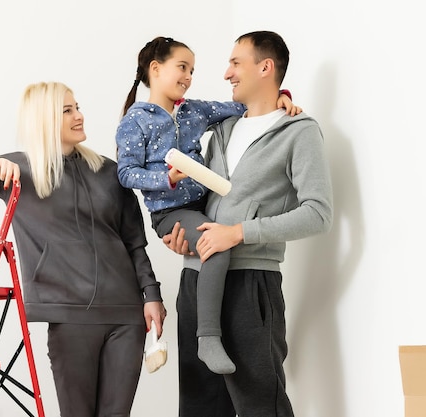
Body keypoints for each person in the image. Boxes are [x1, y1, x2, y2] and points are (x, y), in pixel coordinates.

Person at [0, 81, 167, 417]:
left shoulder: (108, 172)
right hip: (69, 317)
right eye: (67, 110)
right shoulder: (22, 171)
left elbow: (134, 242)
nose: (79, 116)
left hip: (126, 315)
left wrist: (151, 295)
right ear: (45, 119)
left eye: (77, 107)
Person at [163, 31, 334, 417]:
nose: (227, 73)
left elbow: (318, 213)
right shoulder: (222, 129)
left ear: (265, 67)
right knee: (199, 406)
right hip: (196, 279)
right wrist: (183, 238)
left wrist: (239, 233)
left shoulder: (300, 131)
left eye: (235, 63)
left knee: (260, 405)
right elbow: (207, 200)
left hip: (250, 284)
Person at [115, 36, 301, 375]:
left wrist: (282, 99)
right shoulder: (135, 121)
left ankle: (209, 335)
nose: (188, 76)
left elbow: (242, 107)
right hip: (170, 212)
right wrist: (166, 180)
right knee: (217, 247)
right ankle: (208, 337)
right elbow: (126, 174)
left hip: (203, 203)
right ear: (155, 69)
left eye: (192, 70)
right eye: (182, 67)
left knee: (215, 241)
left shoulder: (194, 110)